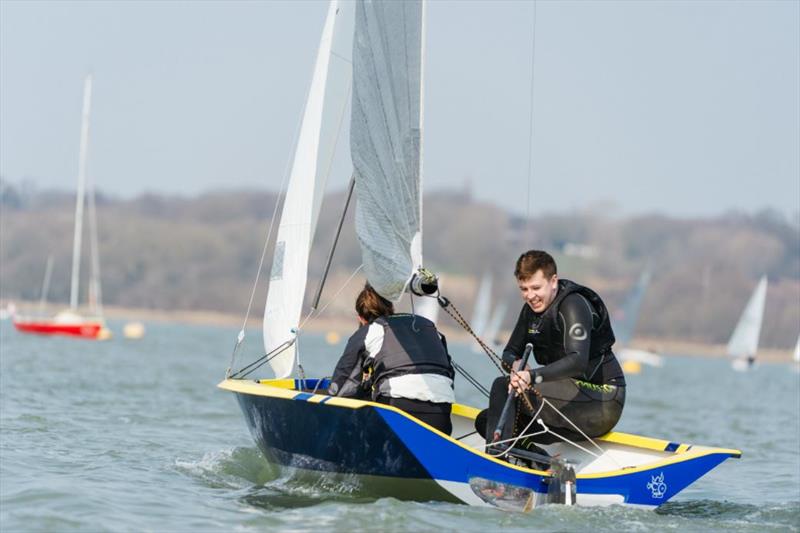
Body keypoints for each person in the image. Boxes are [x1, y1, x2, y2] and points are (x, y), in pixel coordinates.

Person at [477, 250, 626, 454]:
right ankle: (535, 459)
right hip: (565, 405)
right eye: (524, 289)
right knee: (486, 420)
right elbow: (510, 351)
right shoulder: (531, 310)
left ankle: (497, 460)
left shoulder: (573, 305)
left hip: (602, 401)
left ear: (553, 281)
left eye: (536, 287)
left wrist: (532, 376)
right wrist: (517, 364)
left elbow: (577, 362)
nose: (530, 296)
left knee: (502, 387)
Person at [328, 283, 456, 435]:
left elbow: (342, 389)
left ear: (361, 318)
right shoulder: (430, 327)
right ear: (392, 308)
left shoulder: (369, 331)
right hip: (441, 415)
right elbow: (449, 374)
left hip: (398, 412)